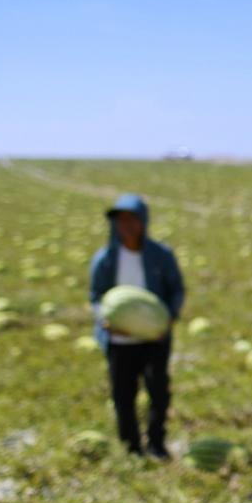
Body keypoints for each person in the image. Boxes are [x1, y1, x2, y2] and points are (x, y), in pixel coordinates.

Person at [88, 194, 185, 459]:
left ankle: (156, 443)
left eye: (132, 219)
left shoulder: (161, 256)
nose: (126, 225)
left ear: (143, 221)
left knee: (158, 392)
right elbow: (96, 296)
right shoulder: (105, 259)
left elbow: (176, 289)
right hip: (120, 341)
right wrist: (104, 320)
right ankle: (132, 447)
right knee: (123, 395)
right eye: (121, 220)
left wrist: (170, 318)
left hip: (155, 337)